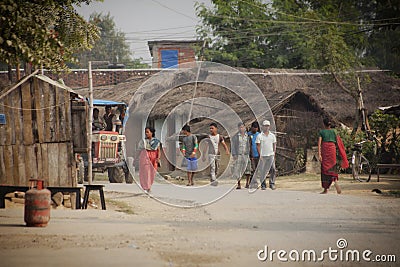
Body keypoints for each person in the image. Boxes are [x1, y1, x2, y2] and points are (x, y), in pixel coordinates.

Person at [318, 118, 349, 194]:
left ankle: (326, 189)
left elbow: (319, 144)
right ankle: (335, 180)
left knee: (324, 169)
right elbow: (339, 143)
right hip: (332, 150)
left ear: (324, 124)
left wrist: (319, 154)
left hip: (325, 150)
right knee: (332, 167)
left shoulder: (322, 132)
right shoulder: (334, 131)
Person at [138, 127, 161, 193]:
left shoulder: (156, 141)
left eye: (148, 132)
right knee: (146, 172)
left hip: (153, 157)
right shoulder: (143, 141)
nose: (146, 133)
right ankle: (147, 187)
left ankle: (149, 185)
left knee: (152, 173)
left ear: (152, 133)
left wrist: (158, 158)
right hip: (145, 156)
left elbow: (159, 150)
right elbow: (139, 150)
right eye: (145, 132)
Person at [256, 120, 277, 190]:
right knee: (263, 171)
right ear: (263, 127)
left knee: (273, 169)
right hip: (263, 155)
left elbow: (274, 145)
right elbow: (258, 146)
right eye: (265, 126)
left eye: (268, 126)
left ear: (269, 126)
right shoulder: (259, 136)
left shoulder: (272, 136)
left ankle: (272, 183)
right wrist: (260, 155)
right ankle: (263, 185)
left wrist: (274, 153)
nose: (266, 127)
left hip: (270, 155)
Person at [231, 122, 252, 189]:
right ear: (238, 128)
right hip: (239, 155)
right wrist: (234, 154)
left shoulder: (248, 136)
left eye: (243, 127)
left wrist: (251, 155)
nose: (241, 128)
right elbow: (233, 146)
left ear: (245, 128)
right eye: (240, 127)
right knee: (238, 169)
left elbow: (250, 145)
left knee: (248, 169)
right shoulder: (235, 136)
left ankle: (247, 183)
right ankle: (239, 184)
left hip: (246, 154)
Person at [248, 121, 260, 188]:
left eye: (256, 128)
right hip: (251, 155)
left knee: (257, 169)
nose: (255, 129)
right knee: (253, 169)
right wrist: (250, 154)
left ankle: (253, 182)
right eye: (254, 127)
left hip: (258, 154)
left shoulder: (259, 135)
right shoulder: (248, 134)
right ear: (251, 128)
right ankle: (253, 183)